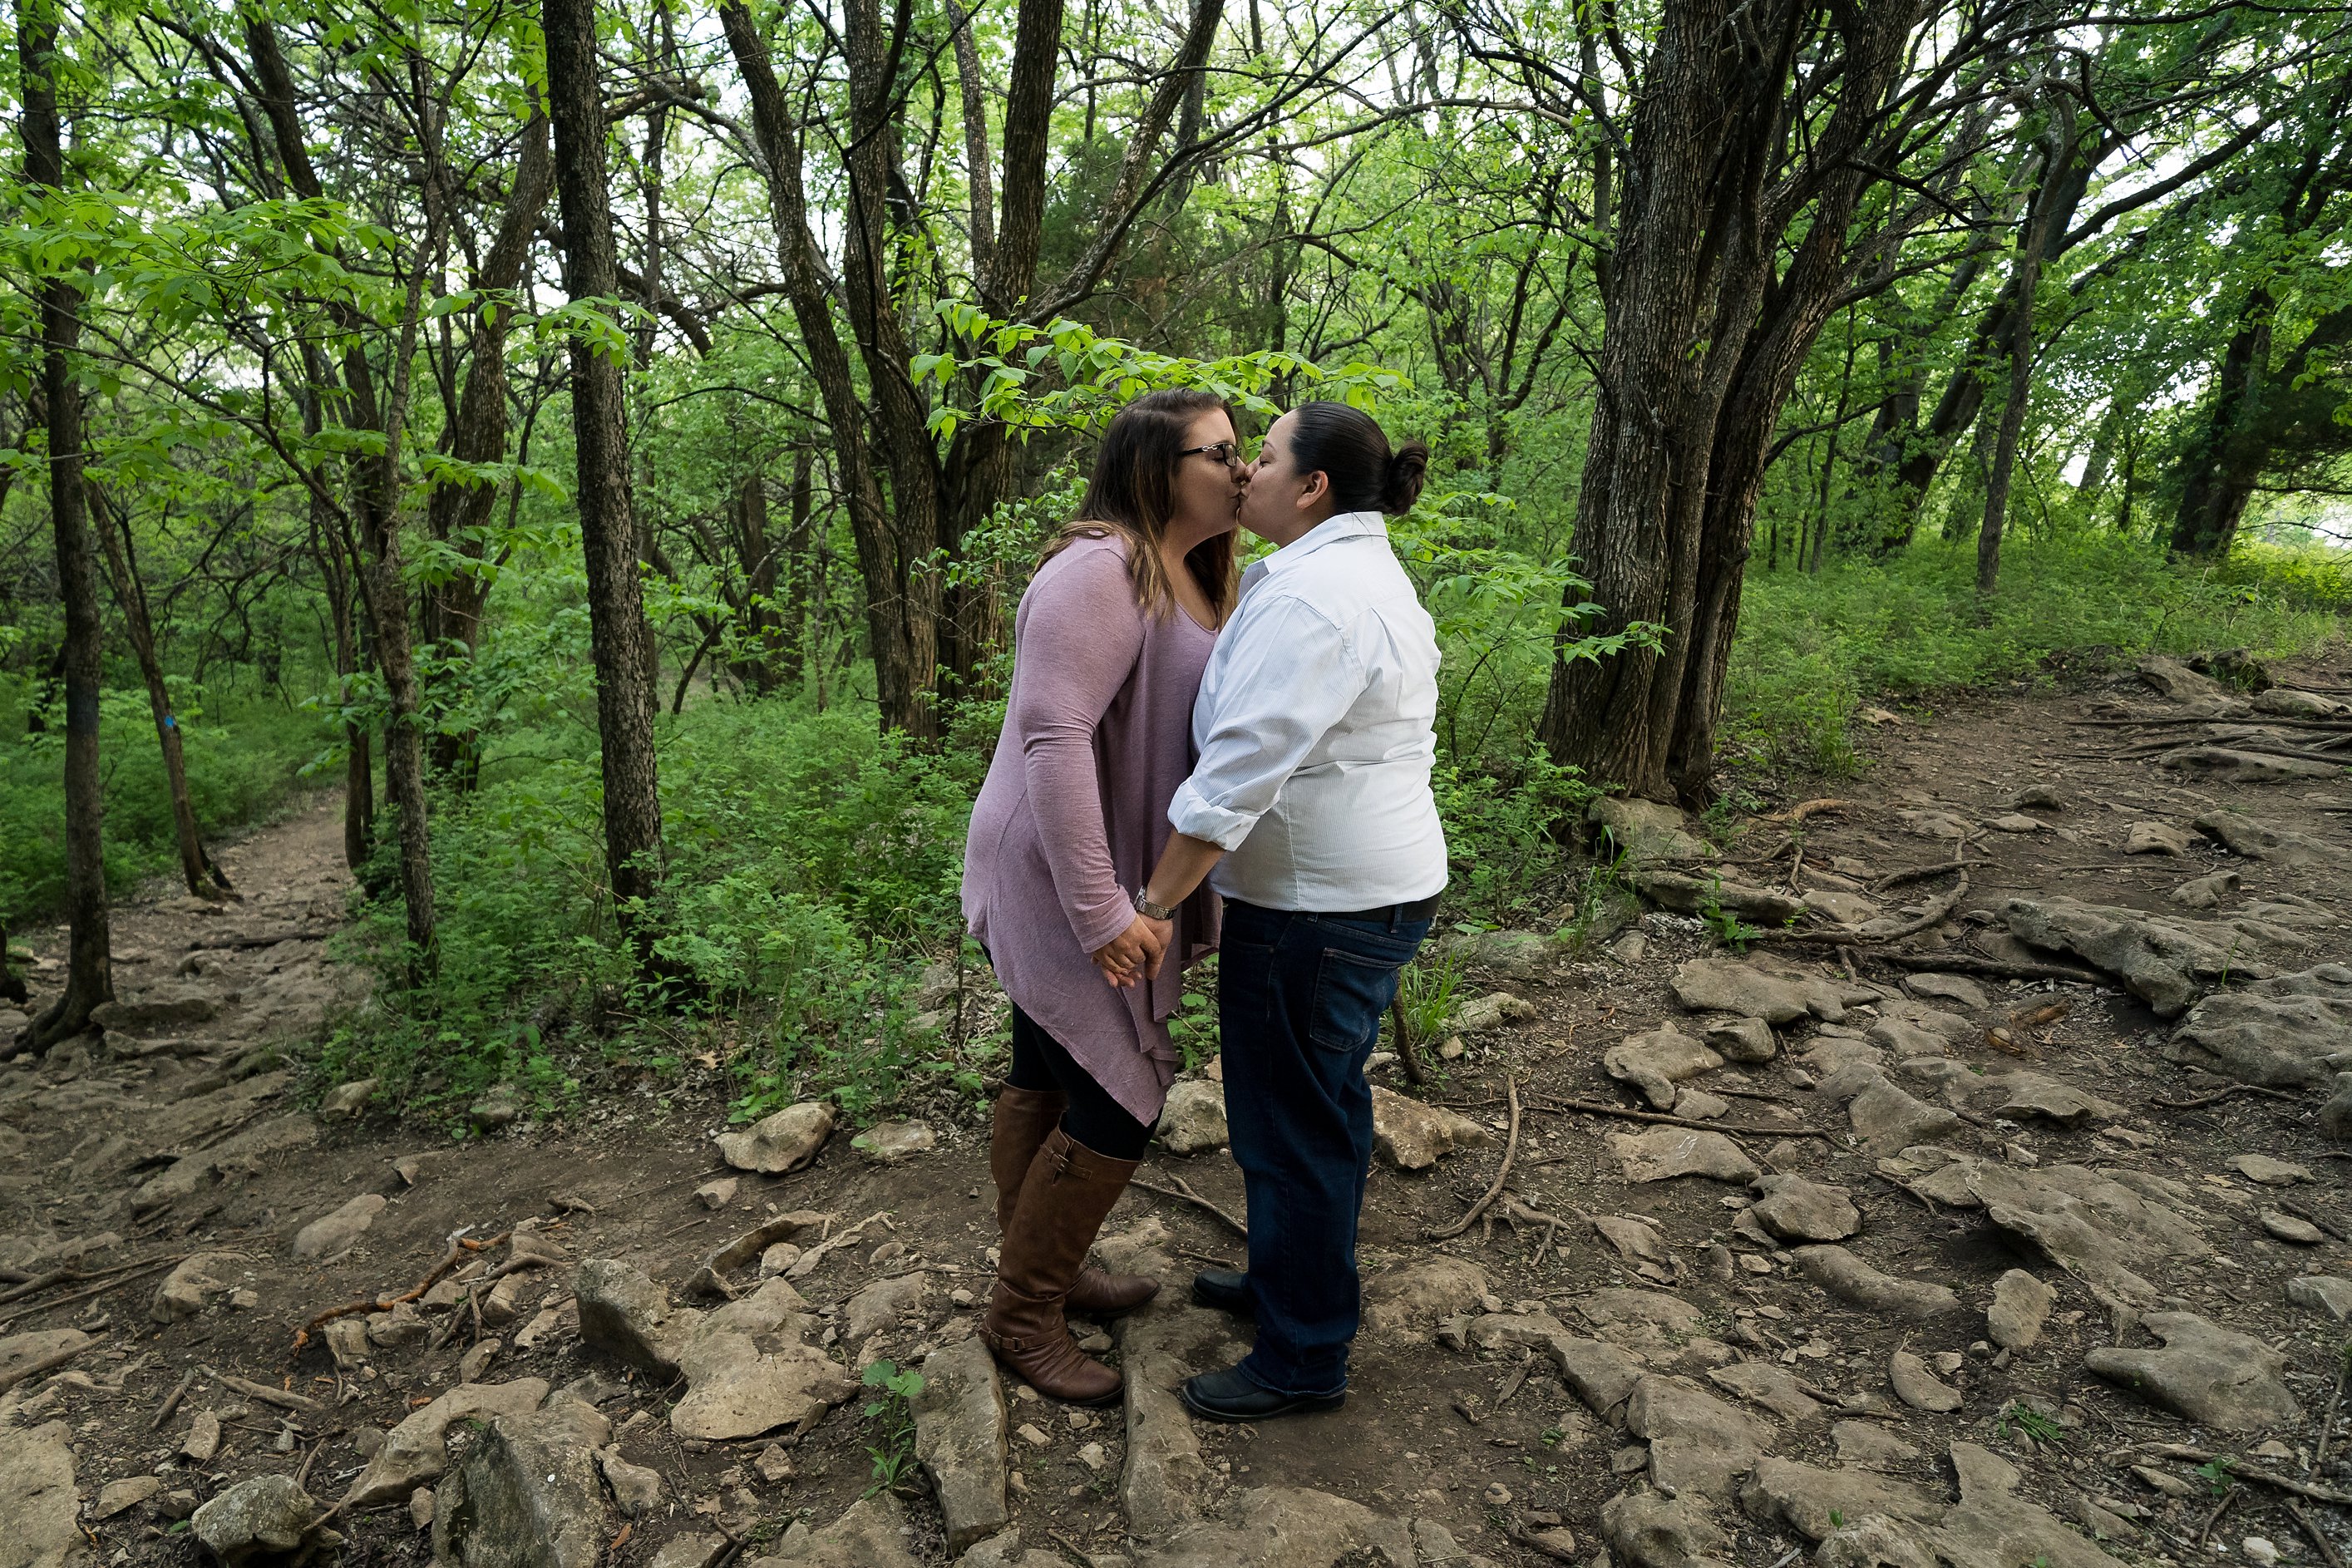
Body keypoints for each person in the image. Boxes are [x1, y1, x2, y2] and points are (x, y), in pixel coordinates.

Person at [1128, 400, 1443, 1423]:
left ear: (1311, 486)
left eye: (1259, 458)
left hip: (1320, 906)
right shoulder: (1336, 574)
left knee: (1291, 1126)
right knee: (1320, 1108)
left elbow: (1239, 772)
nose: (1242, 473)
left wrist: (1155, 901)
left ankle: (1304, 1352)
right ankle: (1288, 1284)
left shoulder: (1319, 601)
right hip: (1361, 891)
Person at [961, 388, 1243, 1404]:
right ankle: (1022, 1311)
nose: (1238, 466)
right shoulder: (1102, 567)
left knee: (1050, 1061)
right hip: (1052, 870)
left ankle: (1047, 1269)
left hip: (1105, 867)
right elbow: (1053, 735)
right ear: (1154, 469)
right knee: (1124, 1091)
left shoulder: (1195, 571)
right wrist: (1103, 911)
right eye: (1215, 451)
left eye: (1241, 447)